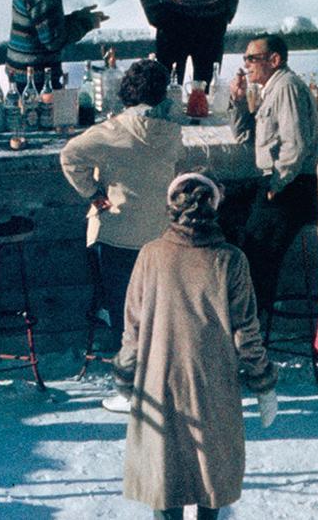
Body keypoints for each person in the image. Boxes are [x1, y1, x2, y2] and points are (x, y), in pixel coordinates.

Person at [114, 173, 278, 520]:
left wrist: (125, 377)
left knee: (165, 479)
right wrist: (263, 382)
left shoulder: (150, 256)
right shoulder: (230, 260)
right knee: (211, 478)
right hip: (212, 385)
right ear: (215, 208)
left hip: (159, 382)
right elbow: (246, 331)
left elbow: (133, 329)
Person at [60, 57, 183, 374]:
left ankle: (129, 380)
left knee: (122, 312)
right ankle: (156, 375)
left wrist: (94, 193)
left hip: (118, 233)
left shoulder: (112, 131)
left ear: (126, 91)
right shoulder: (172, 134)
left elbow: (70, 155)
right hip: (159, 234)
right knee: (154, 311)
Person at [224, 33, 318, 314]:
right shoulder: (271, 90)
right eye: (244, 59)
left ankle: (254, 314)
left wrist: (278, 184)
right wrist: (238, 100)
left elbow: (296, 143)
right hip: (277, 180)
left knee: (257, 248)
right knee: (222, 207)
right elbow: (245, 136)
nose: (246, 65)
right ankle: (239, 303)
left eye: (252, 59)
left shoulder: (286, 88)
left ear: (275, 60)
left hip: (295, 186)